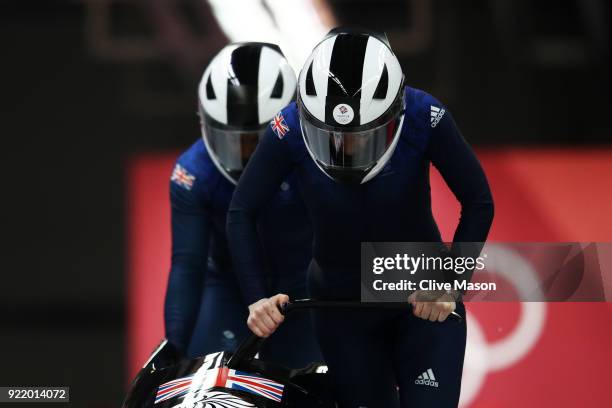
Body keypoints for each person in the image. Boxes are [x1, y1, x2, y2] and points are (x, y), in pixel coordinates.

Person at [227, 29, 494, 407]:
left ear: (394, 117)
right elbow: (241, 211)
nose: (346, 149)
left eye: (362, 137)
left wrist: (450, 282)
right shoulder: (287, 127)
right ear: (307, 117)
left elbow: (479, 200)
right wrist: (257, 299)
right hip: (341, 309)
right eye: (330, 136)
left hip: (420, 296)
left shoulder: (424, 116)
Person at [164, 42, 320, 368]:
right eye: (231, 140)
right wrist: (174, 349)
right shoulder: (193, 172)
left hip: (306, 291)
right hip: (229, 291)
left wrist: (433, 284)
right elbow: (187, 266)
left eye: (259, 141)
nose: (245, 156)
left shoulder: (319, 162)